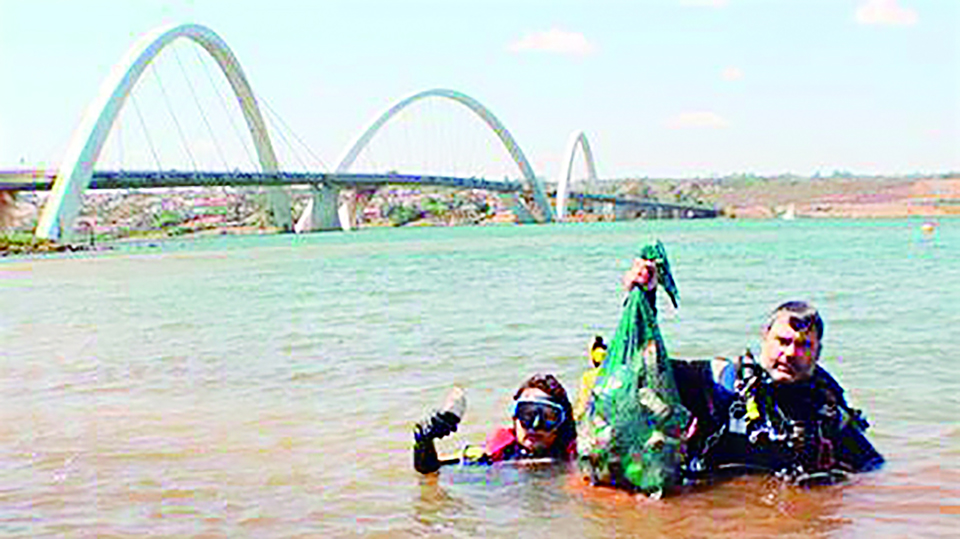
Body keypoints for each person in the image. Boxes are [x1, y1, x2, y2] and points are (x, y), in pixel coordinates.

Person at [622, 257, 883, 484]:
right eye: (783, 341)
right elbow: (647, 367)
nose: (790, 353)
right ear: (765, 339)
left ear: (818, 352)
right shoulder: (722, 383)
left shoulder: (826, 410)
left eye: (804, 345)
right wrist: (645, 297)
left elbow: (874, 470)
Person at [413, 373, 577, 474]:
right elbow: (430, 471)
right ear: (515, 418)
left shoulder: (576, 459)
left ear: (562, 423)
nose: (535, 425)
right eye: (527, 415)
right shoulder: (496, 456)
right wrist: (425, 440)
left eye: (547, 417)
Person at [573, 336, 607, 421]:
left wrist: (575, 418)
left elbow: (583, 403)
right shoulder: (619, 373)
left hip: (598, 419)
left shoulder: (589, 376)